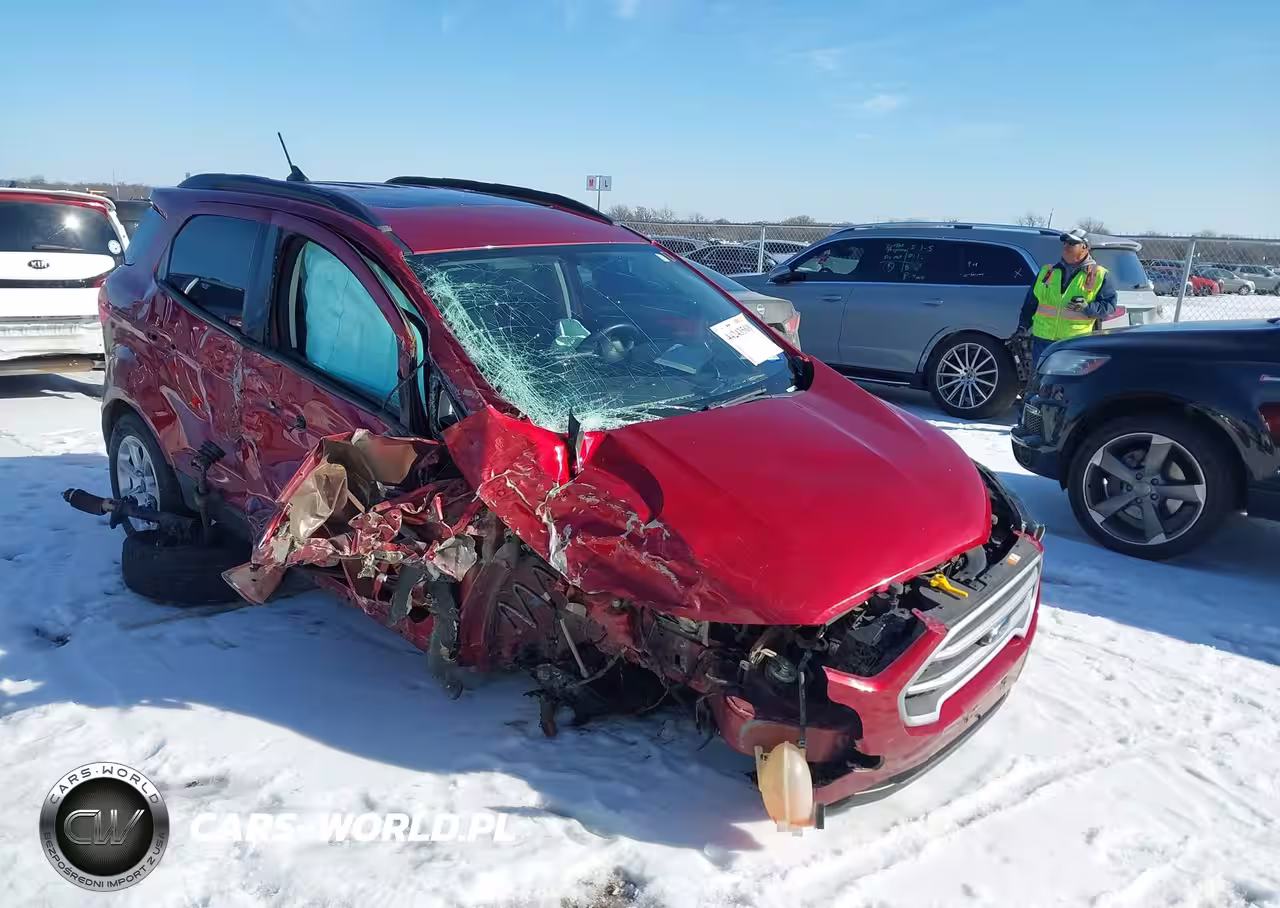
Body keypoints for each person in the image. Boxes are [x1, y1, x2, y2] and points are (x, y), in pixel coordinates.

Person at [1017, 228, 1118, 367]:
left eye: (1072, 243)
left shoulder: (1100, 275)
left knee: (1067, 385)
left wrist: (1087, 308)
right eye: (1065, 243)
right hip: (1043, 340)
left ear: (1085, 247)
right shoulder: (1047, 271)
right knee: (1040, 382)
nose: (1066, 246)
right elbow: (1030, 303)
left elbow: (1109, 306)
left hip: (1074, 342)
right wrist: (1022, 327)